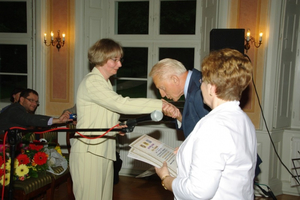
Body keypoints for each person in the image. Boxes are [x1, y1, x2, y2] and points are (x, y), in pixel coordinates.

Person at [69, 38, 171, 200]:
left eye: (120, 60)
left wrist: (115, 126)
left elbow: (101, 113)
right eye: (114, 60)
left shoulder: (104, 83)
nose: (119, 64)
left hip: (102, 150)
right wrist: (159, 104)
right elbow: (119, 104)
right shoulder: (92, 82)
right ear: (101, 58)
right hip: (89, 151)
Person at [155, 48, 257, 200]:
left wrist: (166, 179)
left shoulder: (213, 126)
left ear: (212, 88)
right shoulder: (243, 120)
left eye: (203, 81)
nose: (200, 85)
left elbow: (198, 192)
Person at [149, 58, 210, 138]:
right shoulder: (196, 85)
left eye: (162, 88)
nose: (162, 94)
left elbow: (212, 135)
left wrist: (185, 149)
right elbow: (199, 126)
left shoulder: (199, 93)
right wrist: (180, 116)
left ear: (175, 79)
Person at [0, 88, 72, 134]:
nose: (34, 104)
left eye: (36, 102)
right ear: (21, 99)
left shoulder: (21, 111)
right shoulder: (14, 110)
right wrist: (57, 120)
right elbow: (29, 119)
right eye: (31, 100)